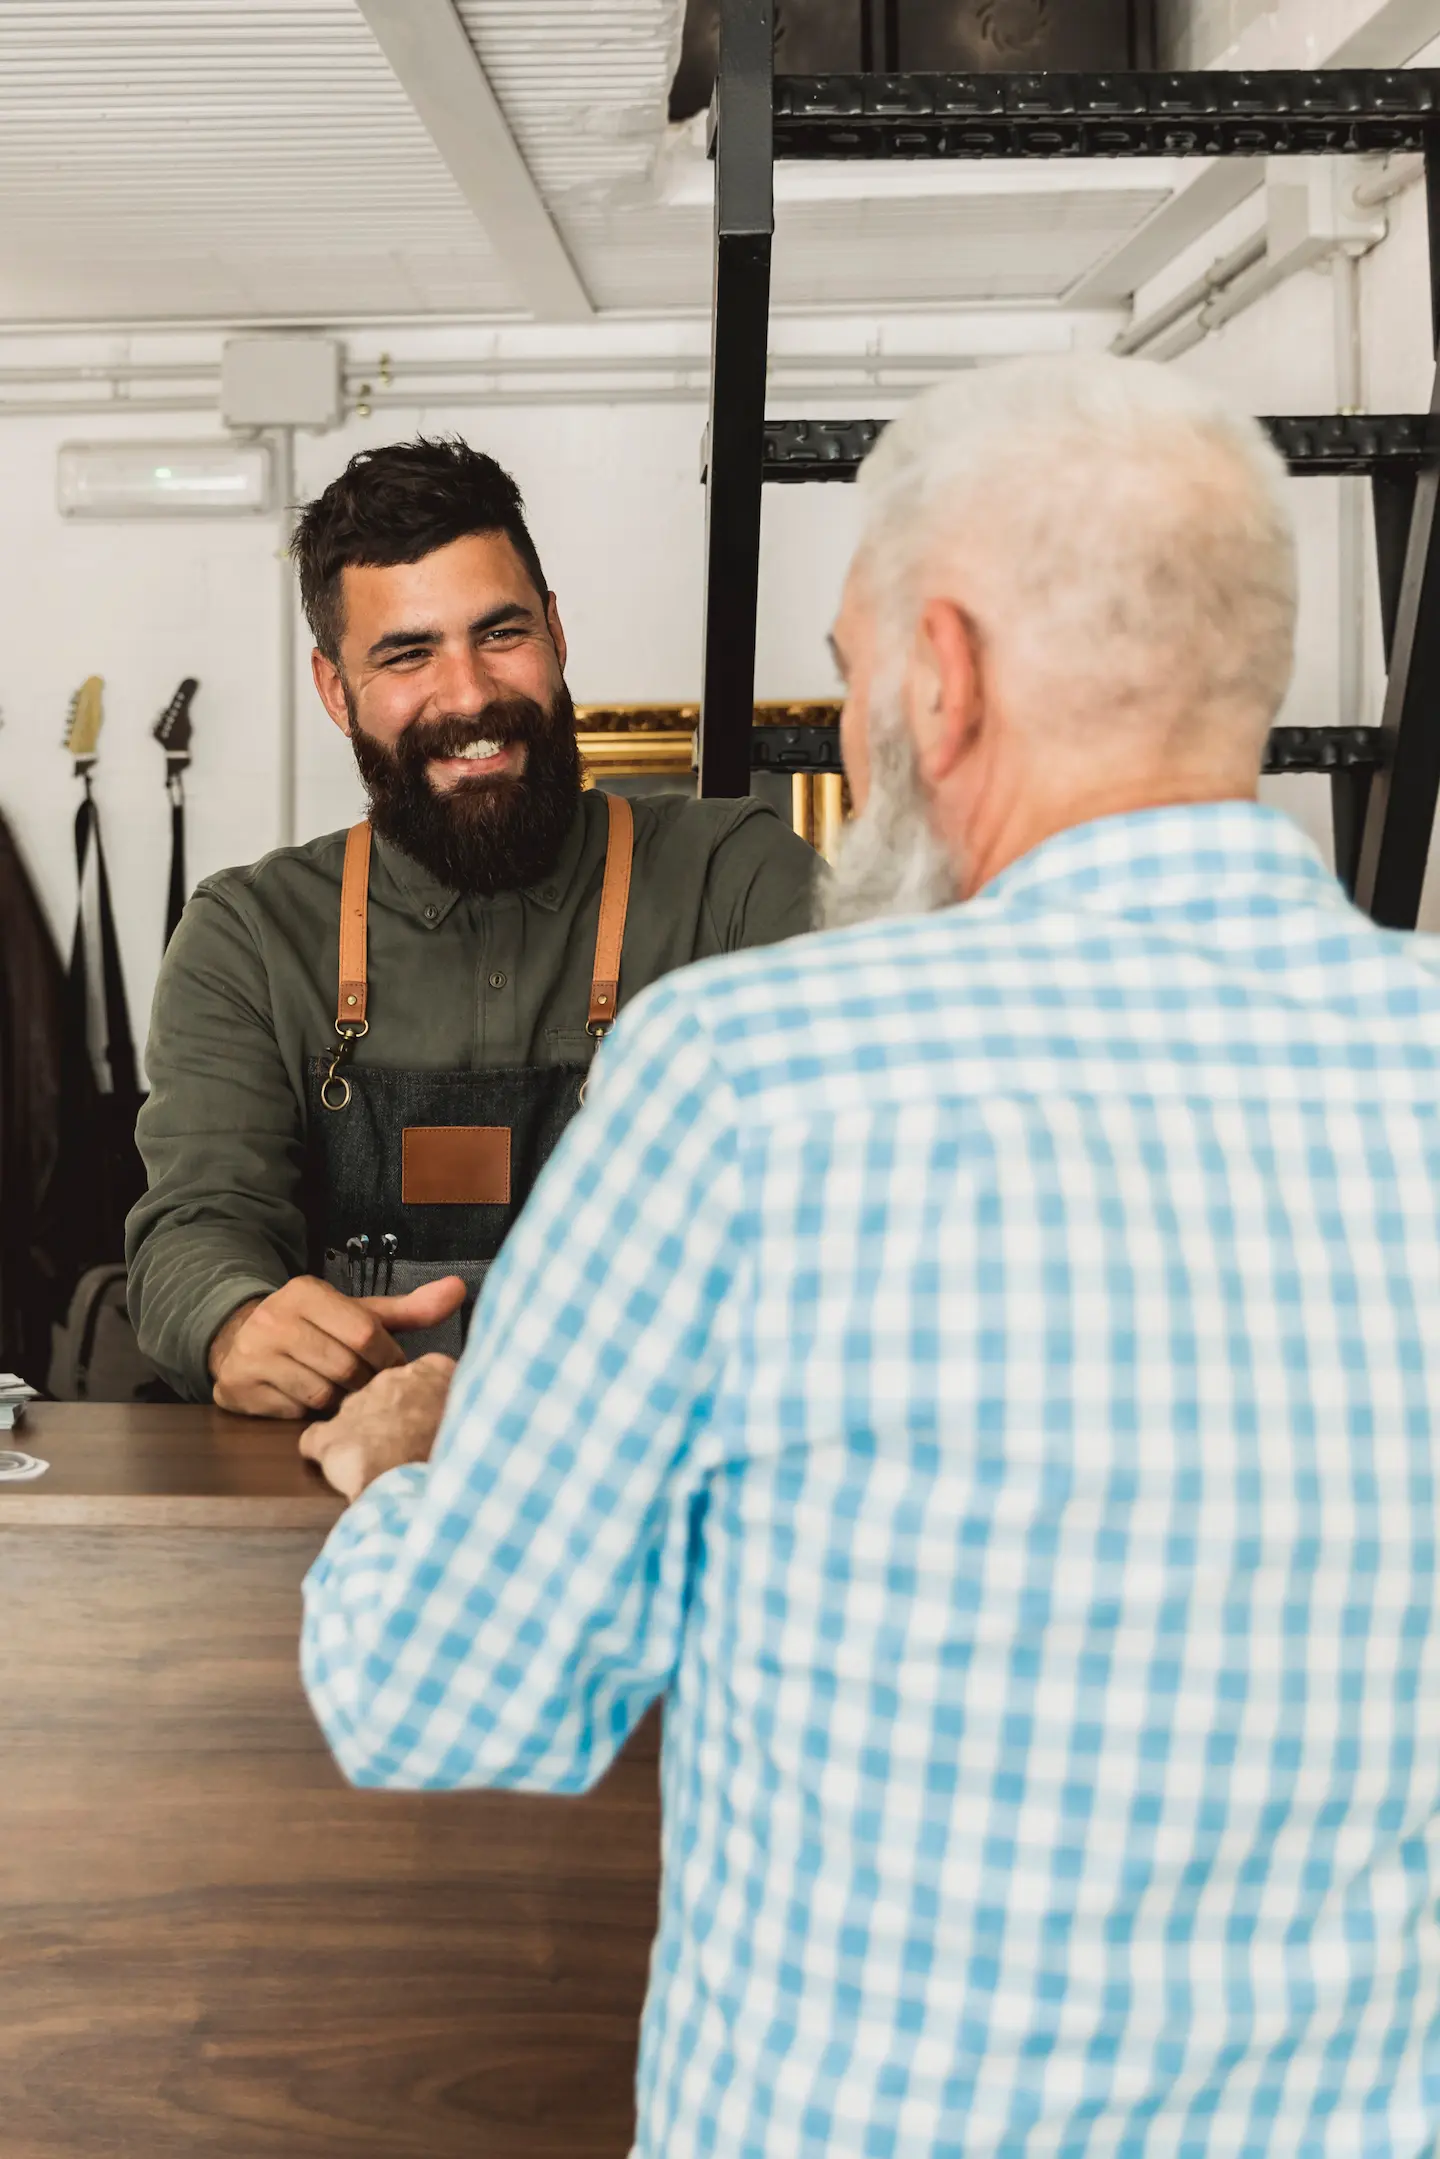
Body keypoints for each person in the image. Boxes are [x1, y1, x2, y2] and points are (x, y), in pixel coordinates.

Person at [300, 355, 1440, 2154]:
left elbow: (453, 1692)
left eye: (847, 668)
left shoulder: (752, 1079)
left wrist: (398, 1476)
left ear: (946, 671)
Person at [125, 437, 817, 1415]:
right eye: (408, 653)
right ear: (337, 690)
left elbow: (849, 1190)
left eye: (500, 633)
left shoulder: (736, 880)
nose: (470, 693)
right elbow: (193, 1225)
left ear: (557, 633)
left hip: (664, 1477)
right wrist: (235, 1318)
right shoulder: (247, 934)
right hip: (343, 1497)